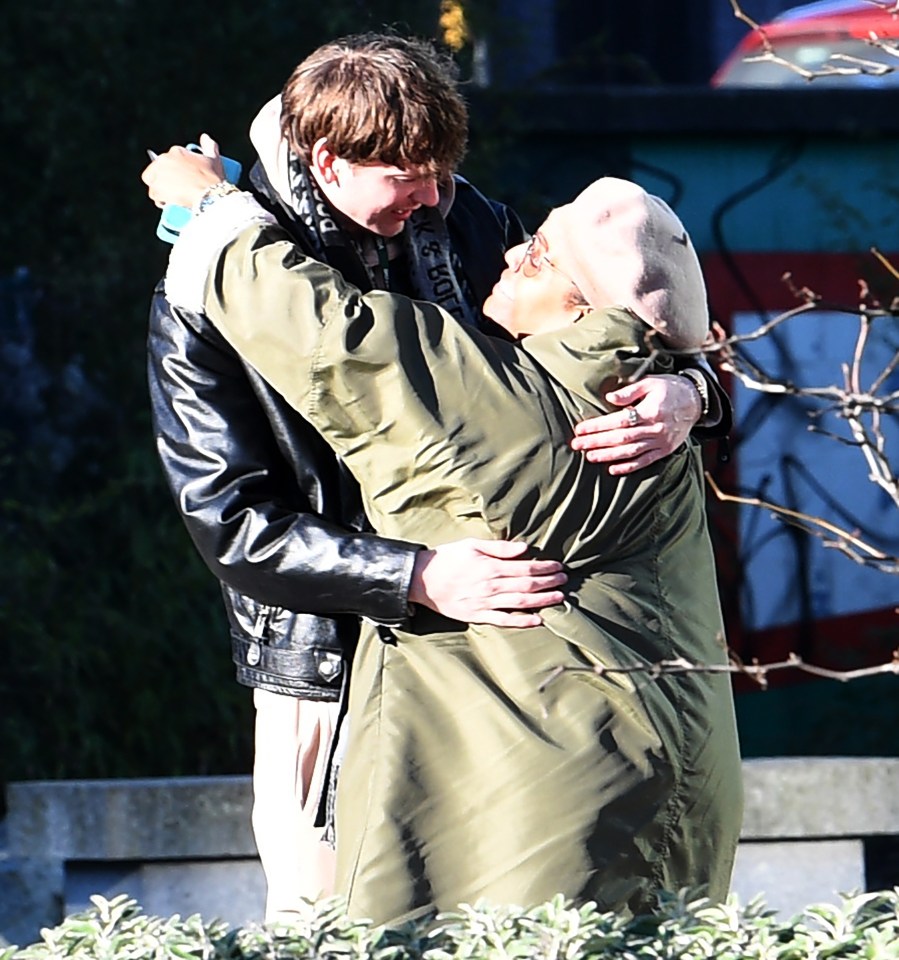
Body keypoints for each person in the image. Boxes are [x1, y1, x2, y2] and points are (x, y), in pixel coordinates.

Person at [146, 34, 727, 919]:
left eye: (442, 171)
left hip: (496, 665)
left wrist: (692, 389)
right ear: (329, 161)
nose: (429, 198)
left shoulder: (464, 223)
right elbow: (233, 522)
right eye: (406, 177)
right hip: (326, 654)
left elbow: (606, 317)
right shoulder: (203, 292)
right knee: (328, 913)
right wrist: (413, 574)